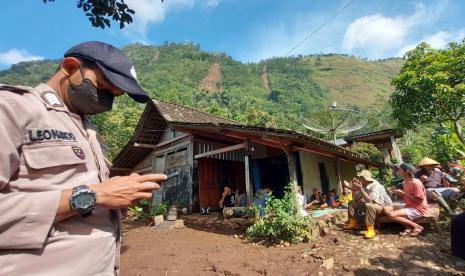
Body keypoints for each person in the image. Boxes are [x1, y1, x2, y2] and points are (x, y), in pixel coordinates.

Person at [0, 41, 167, 275]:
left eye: (114, 97)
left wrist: (118, 201)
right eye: (103, 88)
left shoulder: (90, 133)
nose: (107, 103)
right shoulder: (12, 108)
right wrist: (95, 196)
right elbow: (90, 196)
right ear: (70, 67)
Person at [342, 170, 392, 239]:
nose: (359, 179)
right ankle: (353, 223)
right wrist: (353, 189)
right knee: (351, 202)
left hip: (383, 207)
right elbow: (356, 199)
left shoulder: (375, 185)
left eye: (360, 178)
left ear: (365, 179)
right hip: (373, 206)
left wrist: (361, 189)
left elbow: (370, 201)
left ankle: (371, 229)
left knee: (369, 205)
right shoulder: (364, 185)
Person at [386, 163, 428, 237]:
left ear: (406, 171)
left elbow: (419, 201)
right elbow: (406, 198)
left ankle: (417, 227)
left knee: (391, 214)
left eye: (400, 169)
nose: (398, 171)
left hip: (418, 209)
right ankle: (408, 227)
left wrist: (403, 193)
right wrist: (396, 192)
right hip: (409, 206)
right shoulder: (405, 182)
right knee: (386, 209)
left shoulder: (416, 183)